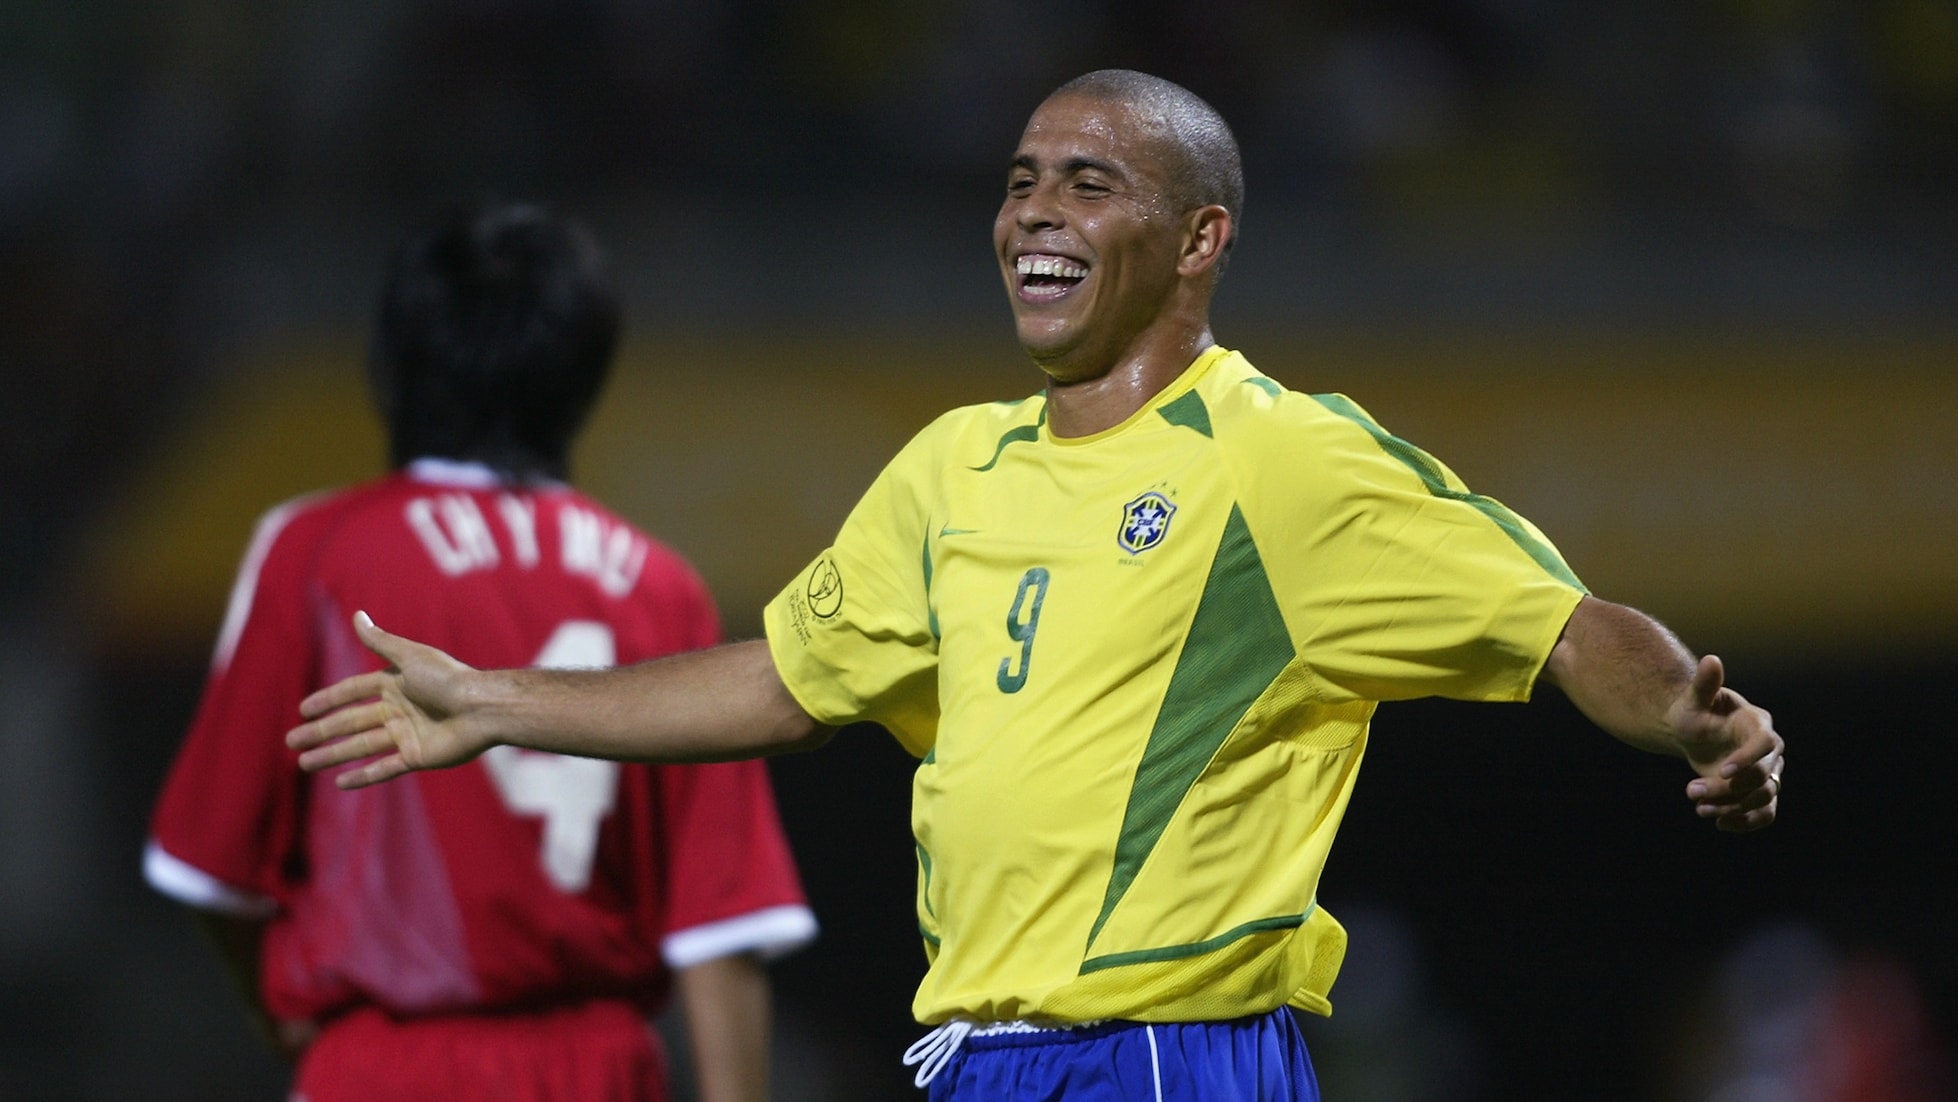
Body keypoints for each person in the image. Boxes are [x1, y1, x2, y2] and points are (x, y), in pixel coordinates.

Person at [285, 73, 1785, 1101]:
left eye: (1087, 182)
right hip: (988, 1056)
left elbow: (1557, 617)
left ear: (1198, 237)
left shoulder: (1283, 464)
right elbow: (783, 680)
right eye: (1018, 185)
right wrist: (497, 702)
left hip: (1160, 1051)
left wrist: (1688, 721)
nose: (1033, 214)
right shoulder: (954, 468)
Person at [145, 201, 817, 1102]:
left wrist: (286, 1018)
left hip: (381, 1067)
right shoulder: (661, 586)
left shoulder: (316, 552)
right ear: (584, 374)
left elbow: (211, 863)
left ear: (390, 365)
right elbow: (721, 922)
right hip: (597, 1070)